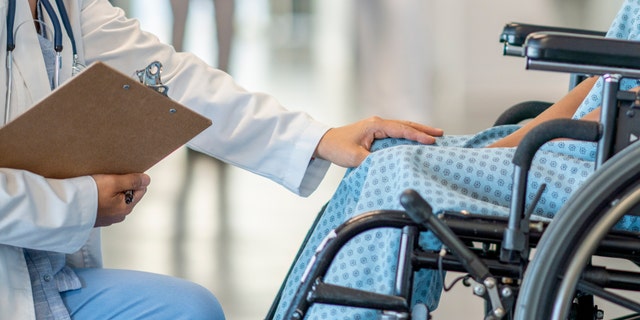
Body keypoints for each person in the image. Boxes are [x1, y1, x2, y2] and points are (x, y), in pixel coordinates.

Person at [1, 0, 445, 319]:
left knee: (190, 309)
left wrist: (318, 138)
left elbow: (170, 78)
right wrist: (79, 203)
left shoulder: (64, 6)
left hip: (39, 273)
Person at [272, 0, 640, 319]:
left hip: (605, 169)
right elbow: (601, 81)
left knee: (402, 169)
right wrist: (504, 147)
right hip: (585, 148)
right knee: (384, 150)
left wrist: (549, 141)